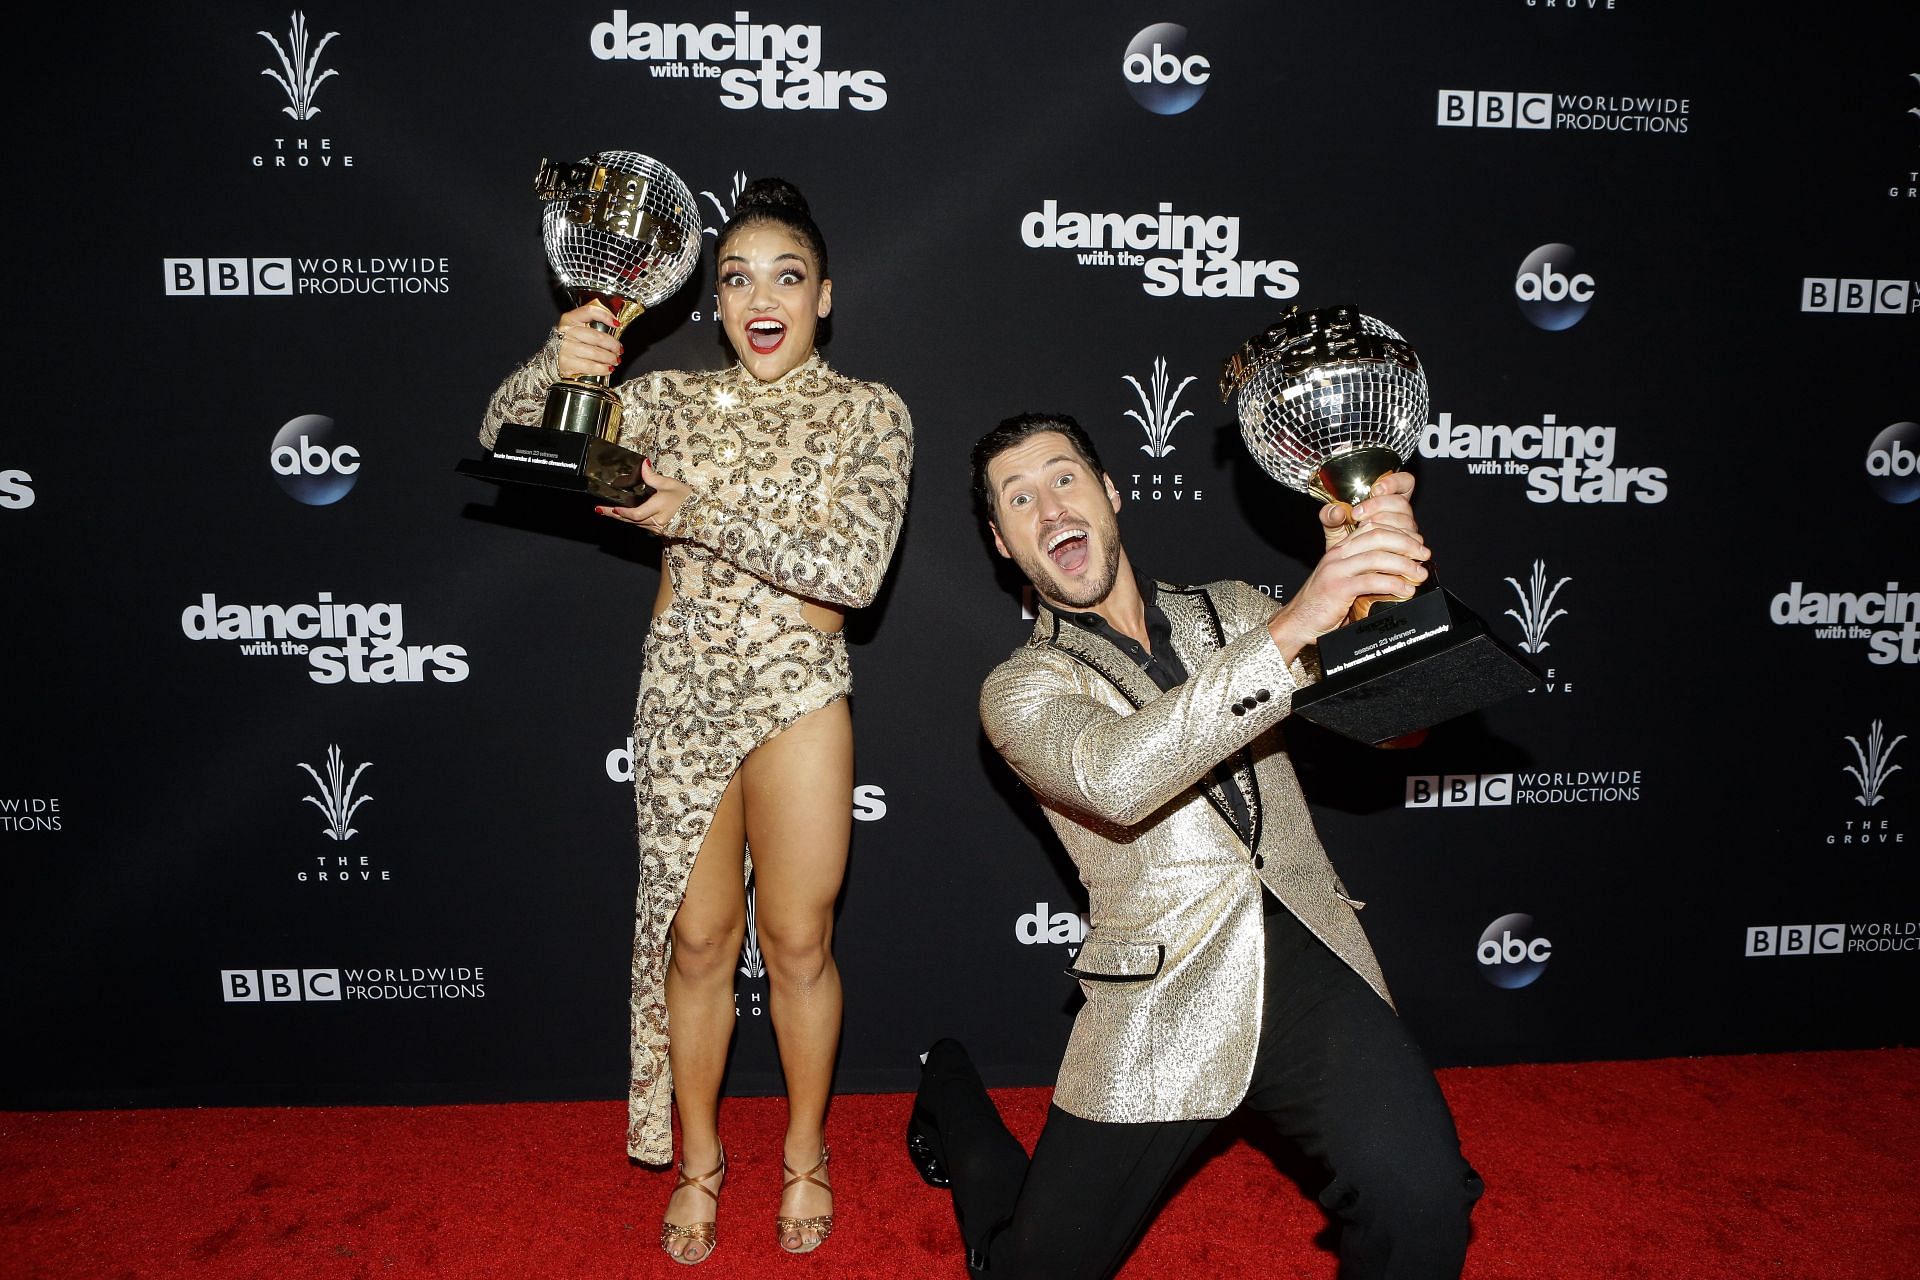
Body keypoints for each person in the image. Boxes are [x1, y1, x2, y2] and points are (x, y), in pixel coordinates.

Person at [907, 413, 1479, 1278]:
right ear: (1002, 544)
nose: (1048, 506)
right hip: (1158, 1002)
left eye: (1064, 478)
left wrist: (1378, 594)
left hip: (1302, 952)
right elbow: (1117, 777)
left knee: (1424, 1205)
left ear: (1110, 493)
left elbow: (1401, 733)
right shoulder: (1019, 689)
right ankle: (951, 1088)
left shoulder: (1239, 610)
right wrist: (1301, 623)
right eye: (1018, 498)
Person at [481, 178, 912, 1264]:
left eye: (787, 275)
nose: (760, 295)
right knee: (701, 939)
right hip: (681, 687)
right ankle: (701, 1160)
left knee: (799, 940)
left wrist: (692, 513)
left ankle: (807, 1149)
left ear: (824, 297)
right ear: (713, 302)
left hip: (799, 689)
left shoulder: (870, 409)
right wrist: (559, 362)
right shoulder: (667, 398)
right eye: (735, 277)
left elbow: (851, 574)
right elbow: (505, 439)